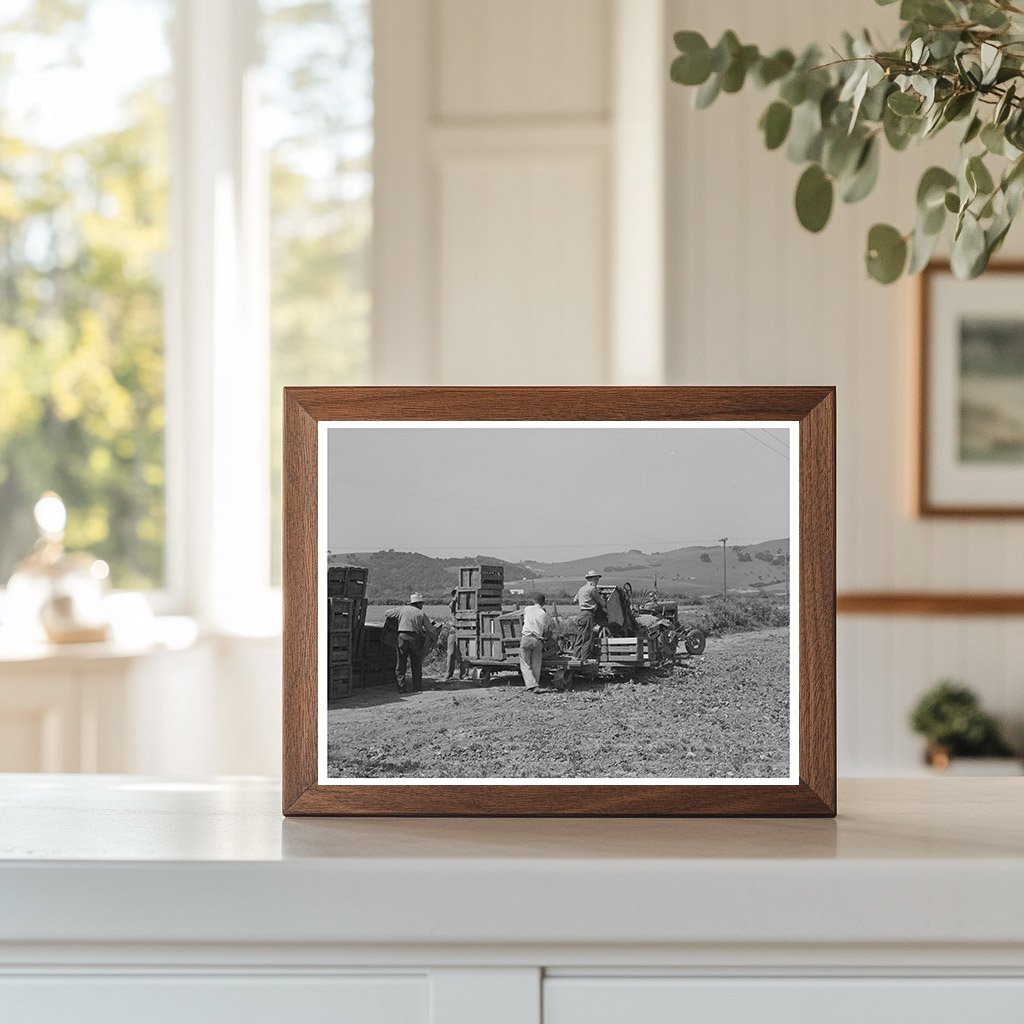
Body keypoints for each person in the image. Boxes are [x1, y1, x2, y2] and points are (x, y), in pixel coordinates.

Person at [395, 592, 438, 693]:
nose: (422, 606)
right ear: (418, 604)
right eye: (421, 604)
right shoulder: (420, 613)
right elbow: (430, 630)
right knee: (416, 663)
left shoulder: (402, 609)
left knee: (401, 663)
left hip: (402, 637)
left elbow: (387, 613)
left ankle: (401, 688)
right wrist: (434, 639)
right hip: (414, 638)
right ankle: (417, 688)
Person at [573, 570, 607, 660]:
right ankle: (584, 659)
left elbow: (575, 600)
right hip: (588, 614)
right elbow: (602, 603)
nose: (597, 581)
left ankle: (575, 657)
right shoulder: (592, 589)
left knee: (580, 636)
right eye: (596, 579)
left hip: (581, 614)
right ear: (591, 579)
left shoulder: (581, 589)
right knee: (587, 638)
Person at [520, 593, 549, 692]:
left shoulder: (527, 609)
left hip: (526, 638)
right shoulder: (543, 613)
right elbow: (545, 629)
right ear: (543, 602)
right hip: (537, 640)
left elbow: (524, 618)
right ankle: (535, 685)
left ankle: (531, 684)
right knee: (536, 664)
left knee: (525, 663)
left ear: (533, 601)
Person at [444, 588, 465, 681]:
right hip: (454, 629)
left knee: (463, 654)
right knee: (450, 653)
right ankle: (448, 673)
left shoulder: (466, 604)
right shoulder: (454, 604)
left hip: (464, 629)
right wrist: (455, 598)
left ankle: (463, 674)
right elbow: (451, 606)